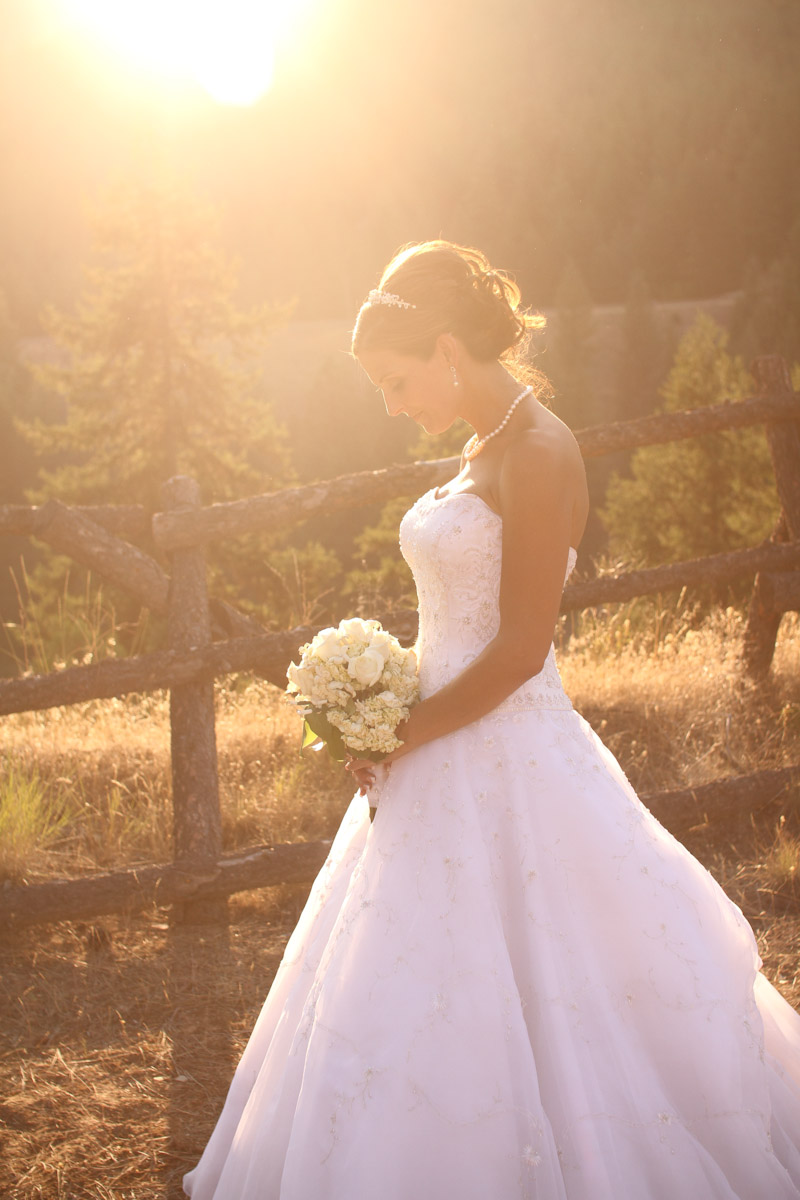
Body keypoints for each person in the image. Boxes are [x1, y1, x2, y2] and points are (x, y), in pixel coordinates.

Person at [184, 241, 800, 1199]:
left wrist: (395, 732)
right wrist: (385, 705)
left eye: (396, 380)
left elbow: (518, 651)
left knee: (551, 971)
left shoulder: (541, 450)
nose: (392, 404)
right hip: (434, 743)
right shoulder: (481, 444)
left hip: (506, 749)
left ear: (445, 347)